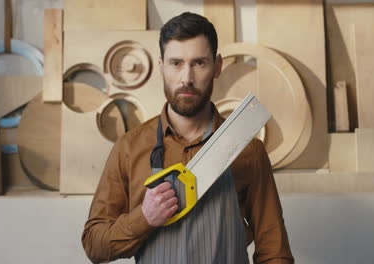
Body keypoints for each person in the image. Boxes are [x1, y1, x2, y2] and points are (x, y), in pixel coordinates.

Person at [82, 12, 294, 264]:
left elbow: (274, 251)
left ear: (217, 67)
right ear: (161, 68)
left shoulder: (247, 149)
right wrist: (145, 218)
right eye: (176, 63)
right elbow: (94, 245)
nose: (186, 78)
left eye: (199, 63)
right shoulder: (129, 148)